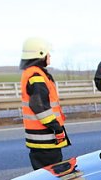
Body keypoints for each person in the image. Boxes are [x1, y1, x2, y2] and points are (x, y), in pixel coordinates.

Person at [19, 37, 69, 169]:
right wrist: (56, 128)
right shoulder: (36, 76)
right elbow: (39, 107)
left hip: (39, 141)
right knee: (52, 178)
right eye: (47, 53)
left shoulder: (32, 73)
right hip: (45, 139)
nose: (50, 55)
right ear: (40, 54)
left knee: (43, 177)